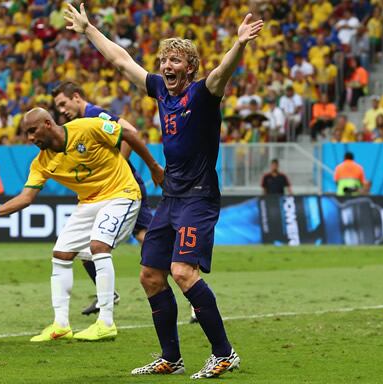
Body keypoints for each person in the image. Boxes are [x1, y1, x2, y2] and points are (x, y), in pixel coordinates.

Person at [64, 4, 263, 378]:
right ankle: (170, 357)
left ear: (190, 67)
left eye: (174, 60)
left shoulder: (204, 94)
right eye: (163, 60)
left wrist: (239, 45)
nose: (166, 66)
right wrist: (88, 29)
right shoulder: (160, 91)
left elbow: (222, 72)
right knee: (150, 276)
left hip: (199, 197)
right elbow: (122, 61)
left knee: (182, 271)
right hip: (171, 197)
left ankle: (224, 353)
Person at [0, 107, 163, 342]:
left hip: (121, 193)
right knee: (61, 254)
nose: (30, 138)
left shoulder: (86, 127)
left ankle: (106, 322)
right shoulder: (41, 162)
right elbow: (26, 198)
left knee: (98, 247)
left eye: (33, 131)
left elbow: (128, 133)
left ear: (47, 123)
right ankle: (61, 324)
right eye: (26, 134)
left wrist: (154, 167)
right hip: (89, 202)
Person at [51, 81, 153, 316]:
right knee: (87, 243)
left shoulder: (95, 114)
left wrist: (120, 163)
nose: (62, 111)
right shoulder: (79, 122)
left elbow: (130, 132)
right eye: (58, 108)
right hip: (106, 191)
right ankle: (106, 293)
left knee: (147, 241)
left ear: (76, 96)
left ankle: (187, 285)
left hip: (122, 189)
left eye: (63, 104)